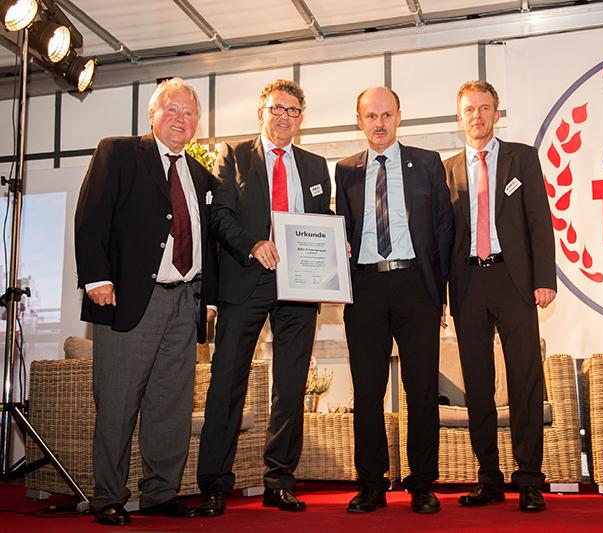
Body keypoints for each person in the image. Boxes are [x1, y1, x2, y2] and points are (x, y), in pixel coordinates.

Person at [74, 77, 218, 526]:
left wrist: (209, 300)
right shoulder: (117, 152)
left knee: (171, 404)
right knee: (117, 402)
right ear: (152, 114)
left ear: (197, 123)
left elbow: (207, 241)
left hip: (185, 301)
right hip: (128, 299)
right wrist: (96, 278)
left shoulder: (199, 174)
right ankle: (108, 496)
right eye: (171, 109)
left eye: (189, 113)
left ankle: (160, 493)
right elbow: (91, 216)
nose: (180, 118)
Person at [196, 79, 331, 516]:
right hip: (245, 281)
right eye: (277, 108)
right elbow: (220, 216)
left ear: (301, 118)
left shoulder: (315, 165)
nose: (284, 116)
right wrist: (252, 244)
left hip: (300, 285)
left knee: (290, 385)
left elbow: (322, 218)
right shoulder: (234, 155)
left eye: (293, 110)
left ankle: (279, 481)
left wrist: (337, 241)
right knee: (226, 383)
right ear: (261, 112)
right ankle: (215, 484)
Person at [335, 87, 454, 514]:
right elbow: (340, 228)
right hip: (365, 289)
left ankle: (421, 483)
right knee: (367, 391)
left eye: (386, 115)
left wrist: (439, 294)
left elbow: (443, 231)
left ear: (399, 116)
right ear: (360, 121)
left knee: (421, 389)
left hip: (415, 286)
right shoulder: (345, 170)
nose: (379, 123)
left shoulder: (427, 162)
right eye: (371, 116)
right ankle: (371, 484)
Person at [444, 80, 556, 512]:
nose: (478, 115)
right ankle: (488, 478)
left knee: (525, 380)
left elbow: (540, 221)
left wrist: (543, 278)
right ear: (460, 118)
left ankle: (529, 479)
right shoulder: (446, 170)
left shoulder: (521, 158)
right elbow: (440, 238)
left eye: (485, 108)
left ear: (496, 113)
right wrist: (439, 296)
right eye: (470, 109)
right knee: (477, 385)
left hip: (515, 280)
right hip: (468, 284)